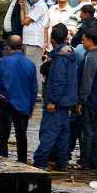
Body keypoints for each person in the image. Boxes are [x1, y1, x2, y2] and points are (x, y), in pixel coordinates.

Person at [33, 23, 78, 170]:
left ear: (52, 39)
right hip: (68, 100)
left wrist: (52, 101)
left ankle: (40, 161)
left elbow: (58, 81)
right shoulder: (70, 53)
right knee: (63, 133)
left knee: (49, 132)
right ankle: (62, 162)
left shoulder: (60, 57)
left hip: (57, 101)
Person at [0, 35, 38, 163]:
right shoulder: (30, 64)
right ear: (21, 47)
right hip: (23, 105)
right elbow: (34, 88)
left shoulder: (3, 62)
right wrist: (31, 107)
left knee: (3, 135)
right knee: (21, 135)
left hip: (5, 103)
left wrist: (0, 95)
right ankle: (22, 162)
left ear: (8, 47)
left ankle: (1, 160)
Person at [76, 23, 97, 170]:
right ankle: (95, 159)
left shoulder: (90, 57)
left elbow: (86, 81)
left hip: (90, 100)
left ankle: (86, 161)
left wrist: (81, 100)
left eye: (83, 40)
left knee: (87, 131)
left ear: (90, 40)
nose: (82, 42)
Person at [20, 0, 49, 71]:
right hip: (29, 41)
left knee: (34, 69)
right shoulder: (35, 6)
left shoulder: (40, 6)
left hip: (34, 42)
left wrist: (22, 9)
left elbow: (25, 21)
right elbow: (23, 21)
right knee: (28, 69)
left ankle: (37, 85)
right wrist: (22, 7)